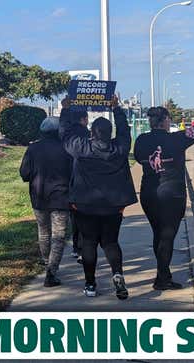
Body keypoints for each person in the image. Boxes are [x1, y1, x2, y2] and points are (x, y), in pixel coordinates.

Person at [134, 93, 194, 290]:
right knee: (167, 236)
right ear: (166, 120)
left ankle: (163, 274)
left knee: (158, 234)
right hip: (171, 194)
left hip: (148, 193)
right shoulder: (177, 139)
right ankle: (162, 279)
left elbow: (138, 157)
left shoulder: (141, 140)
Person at [60, 96, 137, 299]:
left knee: (89, 244)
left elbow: (65, 135)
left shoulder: (82, 148)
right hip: (113, 207)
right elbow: (124, 131)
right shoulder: (120, 148)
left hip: (85, 207)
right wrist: (117, 108)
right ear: (109, 133)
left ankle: (90, 284)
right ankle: (118, 275)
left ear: (92, 133)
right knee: (111, 243)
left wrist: (65, 111)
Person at [20, 116, 72, 287]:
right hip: (61, 198)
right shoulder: (66, 148)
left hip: (38, 197)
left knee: (43, 231)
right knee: (59, 236)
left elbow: (24, 174)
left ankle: (45, 261)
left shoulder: (32, 149)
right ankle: (51, 271)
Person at [60, 99, 89, 264]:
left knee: (75, 217)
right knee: (86, 217)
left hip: (70, 181)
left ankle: (76, 248)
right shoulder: (87, 135)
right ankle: (83, 248)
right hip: (86, 181)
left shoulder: (67, 137)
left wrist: (65, 110)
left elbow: (62, 130)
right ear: (84, 119)